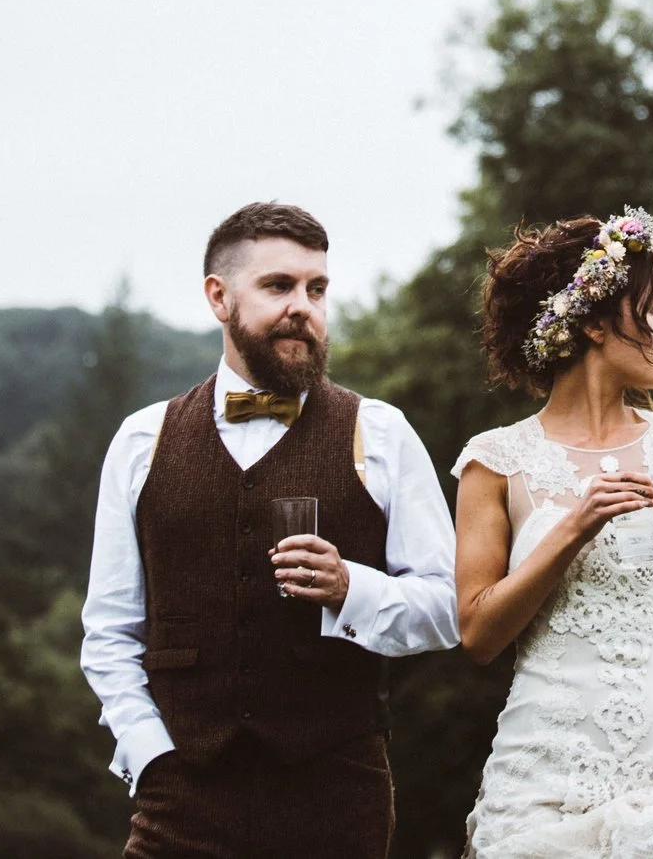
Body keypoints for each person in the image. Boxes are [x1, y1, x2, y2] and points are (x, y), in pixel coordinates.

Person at [80, 201, 459, 859]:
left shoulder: (382, 433)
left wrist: (352, 588)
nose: (303, 306)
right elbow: (110, 630)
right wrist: (151, 754)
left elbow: (450, 606)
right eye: (279, 285)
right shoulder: (143, 440)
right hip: (179, 802)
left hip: (336, 800)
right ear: (218, 297)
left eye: (317, 288)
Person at [452, 208, 653, 859]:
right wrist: (572, 528)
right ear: (592, 321)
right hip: (540, 793)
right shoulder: (493, 460)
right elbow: (477, 634)